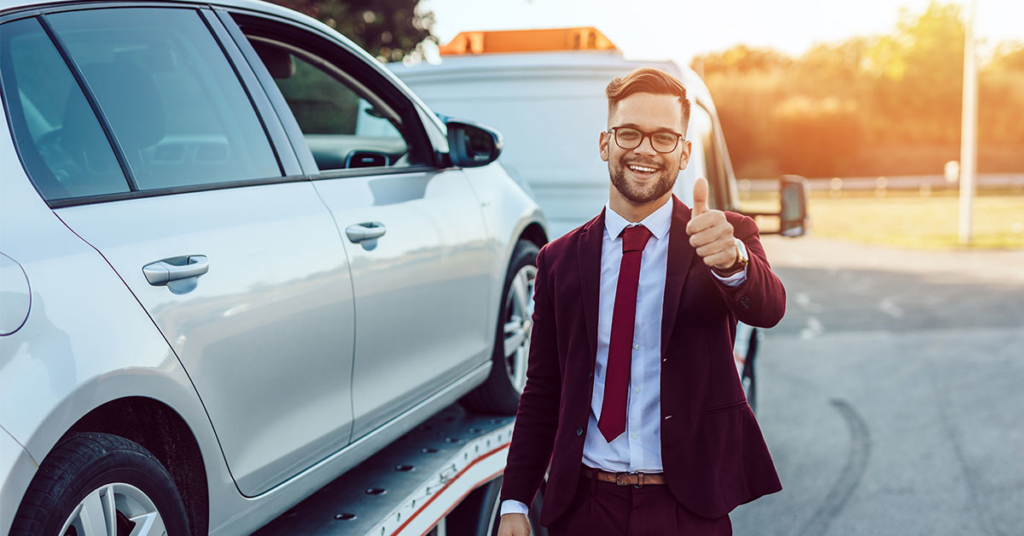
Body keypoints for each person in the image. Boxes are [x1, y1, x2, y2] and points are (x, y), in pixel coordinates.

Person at [496, 67, 786, 536]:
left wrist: (734, 261)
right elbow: (543, 389)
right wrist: (514, 501)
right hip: (584, 507)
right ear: (605, 143)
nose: (645, 149)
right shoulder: (557, 260)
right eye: (629, 132)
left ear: (684, 152)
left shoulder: (721, 236)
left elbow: (769, 308)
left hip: (688, 508)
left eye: (664, 137)